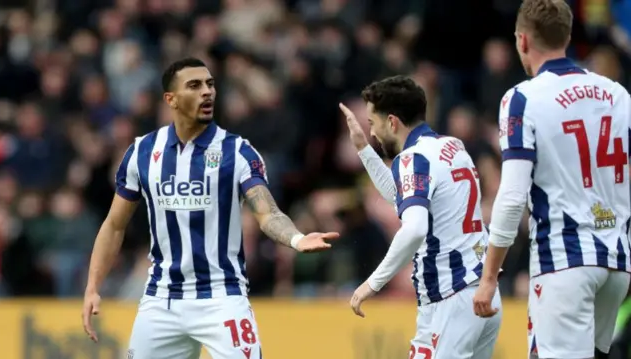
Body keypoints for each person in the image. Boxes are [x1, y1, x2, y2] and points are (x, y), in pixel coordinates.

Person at [81, 58, 339, 359]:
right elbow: (114, 225)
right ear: (171, 99)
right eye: (195, 86)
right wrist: (92, 287)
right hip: (162, 299)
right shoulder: (142, 152)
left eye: (210, 84)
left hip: (222, 298)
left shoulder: (238, 151)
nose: (207, 92)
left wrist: (296, 239)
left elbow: (267, 212)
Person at [473, 1, 631, 358]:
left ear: (522, 40)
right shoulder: (618, 95)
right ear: (568, 34)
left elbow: (512, 196)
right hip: (617, 265)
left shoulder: (522, 99)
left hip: (565, 262)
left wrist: (488, 279)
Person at [341, 75, 501, 359]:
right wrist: (363, 149)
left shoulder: (413, 158)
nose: (373, 134)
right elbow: (400, 196)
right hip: (481, 294)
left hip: (450, 299)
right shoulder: (453, 147)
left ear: (392, 122)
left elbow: (414, 229)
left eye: (373, 125)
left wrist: (372, 283)